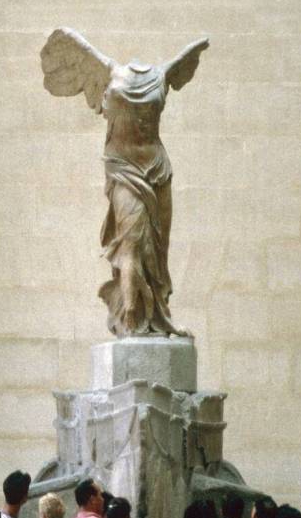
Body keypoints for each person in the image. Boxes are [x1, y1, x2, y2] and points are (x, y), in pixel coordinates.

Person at [40, 27, 209, 336]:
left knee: (155, 250)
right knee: (133, 247)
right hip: (132, 170)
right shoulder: (141, 77)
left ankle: (156, 317)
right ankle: (132, 319)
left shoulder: (129, 79)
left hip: (153, 170)